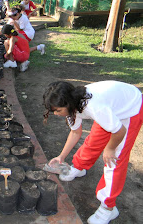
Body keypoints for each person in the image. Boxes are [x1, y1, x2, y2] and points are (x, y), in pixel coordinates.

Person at [43, 80, 143, 224]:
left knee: (114, 159)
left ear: (69, 103)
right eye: (54, 111)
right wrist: (61, 157)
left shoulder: (95, 107)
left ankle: (108, 208)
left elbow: (120, 130)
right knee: (93, 141)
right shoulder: (73, 107)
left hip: (130, 108)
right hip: (111, 107)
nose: (56, 114)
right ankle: (79, 167)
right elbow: (75, 133)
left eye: (58, 110)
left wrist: (110, 148)